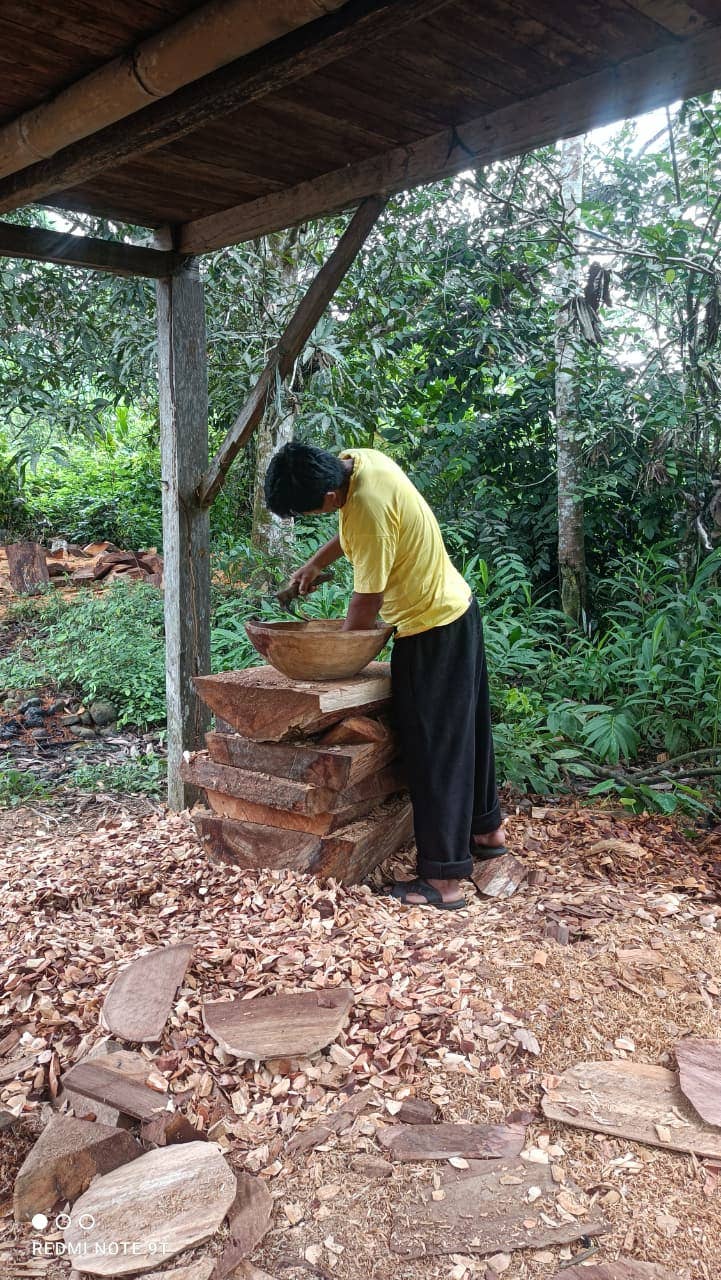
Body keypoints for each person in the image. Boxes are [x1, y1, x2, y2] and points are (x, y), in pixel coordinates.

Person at [264, 441, 507, 910]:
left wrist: (336, 658)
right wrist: (316, 562)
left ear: (330, 497)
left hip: (429, 629)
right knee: (468, 733)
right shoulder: (360, 460)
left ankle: (443, 881)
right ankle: (487, 831)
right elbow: (351, 533)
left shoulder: (368, 514)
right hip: (457, 610)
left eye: (310, 511)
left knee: (434, 750)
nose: (317, 517)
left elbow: (365, 604)